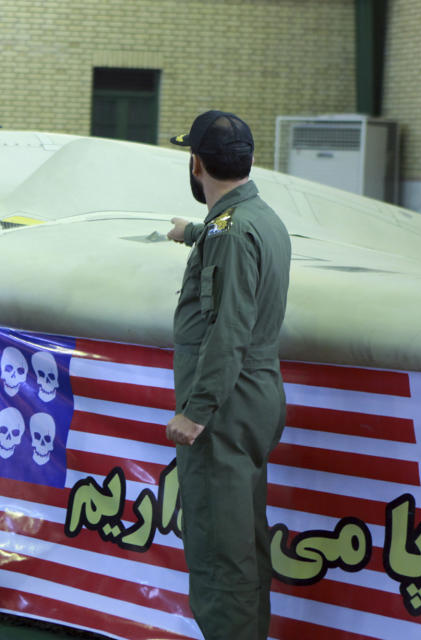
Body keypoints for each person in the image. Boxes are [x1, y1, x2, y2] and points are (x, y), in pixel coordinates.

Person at [164, 110, 291, 640]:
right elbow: (231, 243)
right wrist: (191, 231)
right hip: (256, 397)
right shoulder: (258, 217)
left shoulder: (231, 234)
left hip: (224, 406)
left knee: (220, 552)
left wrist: (196, 412)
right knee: (245, 541)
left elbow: (228, 331)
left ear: (196, 165)